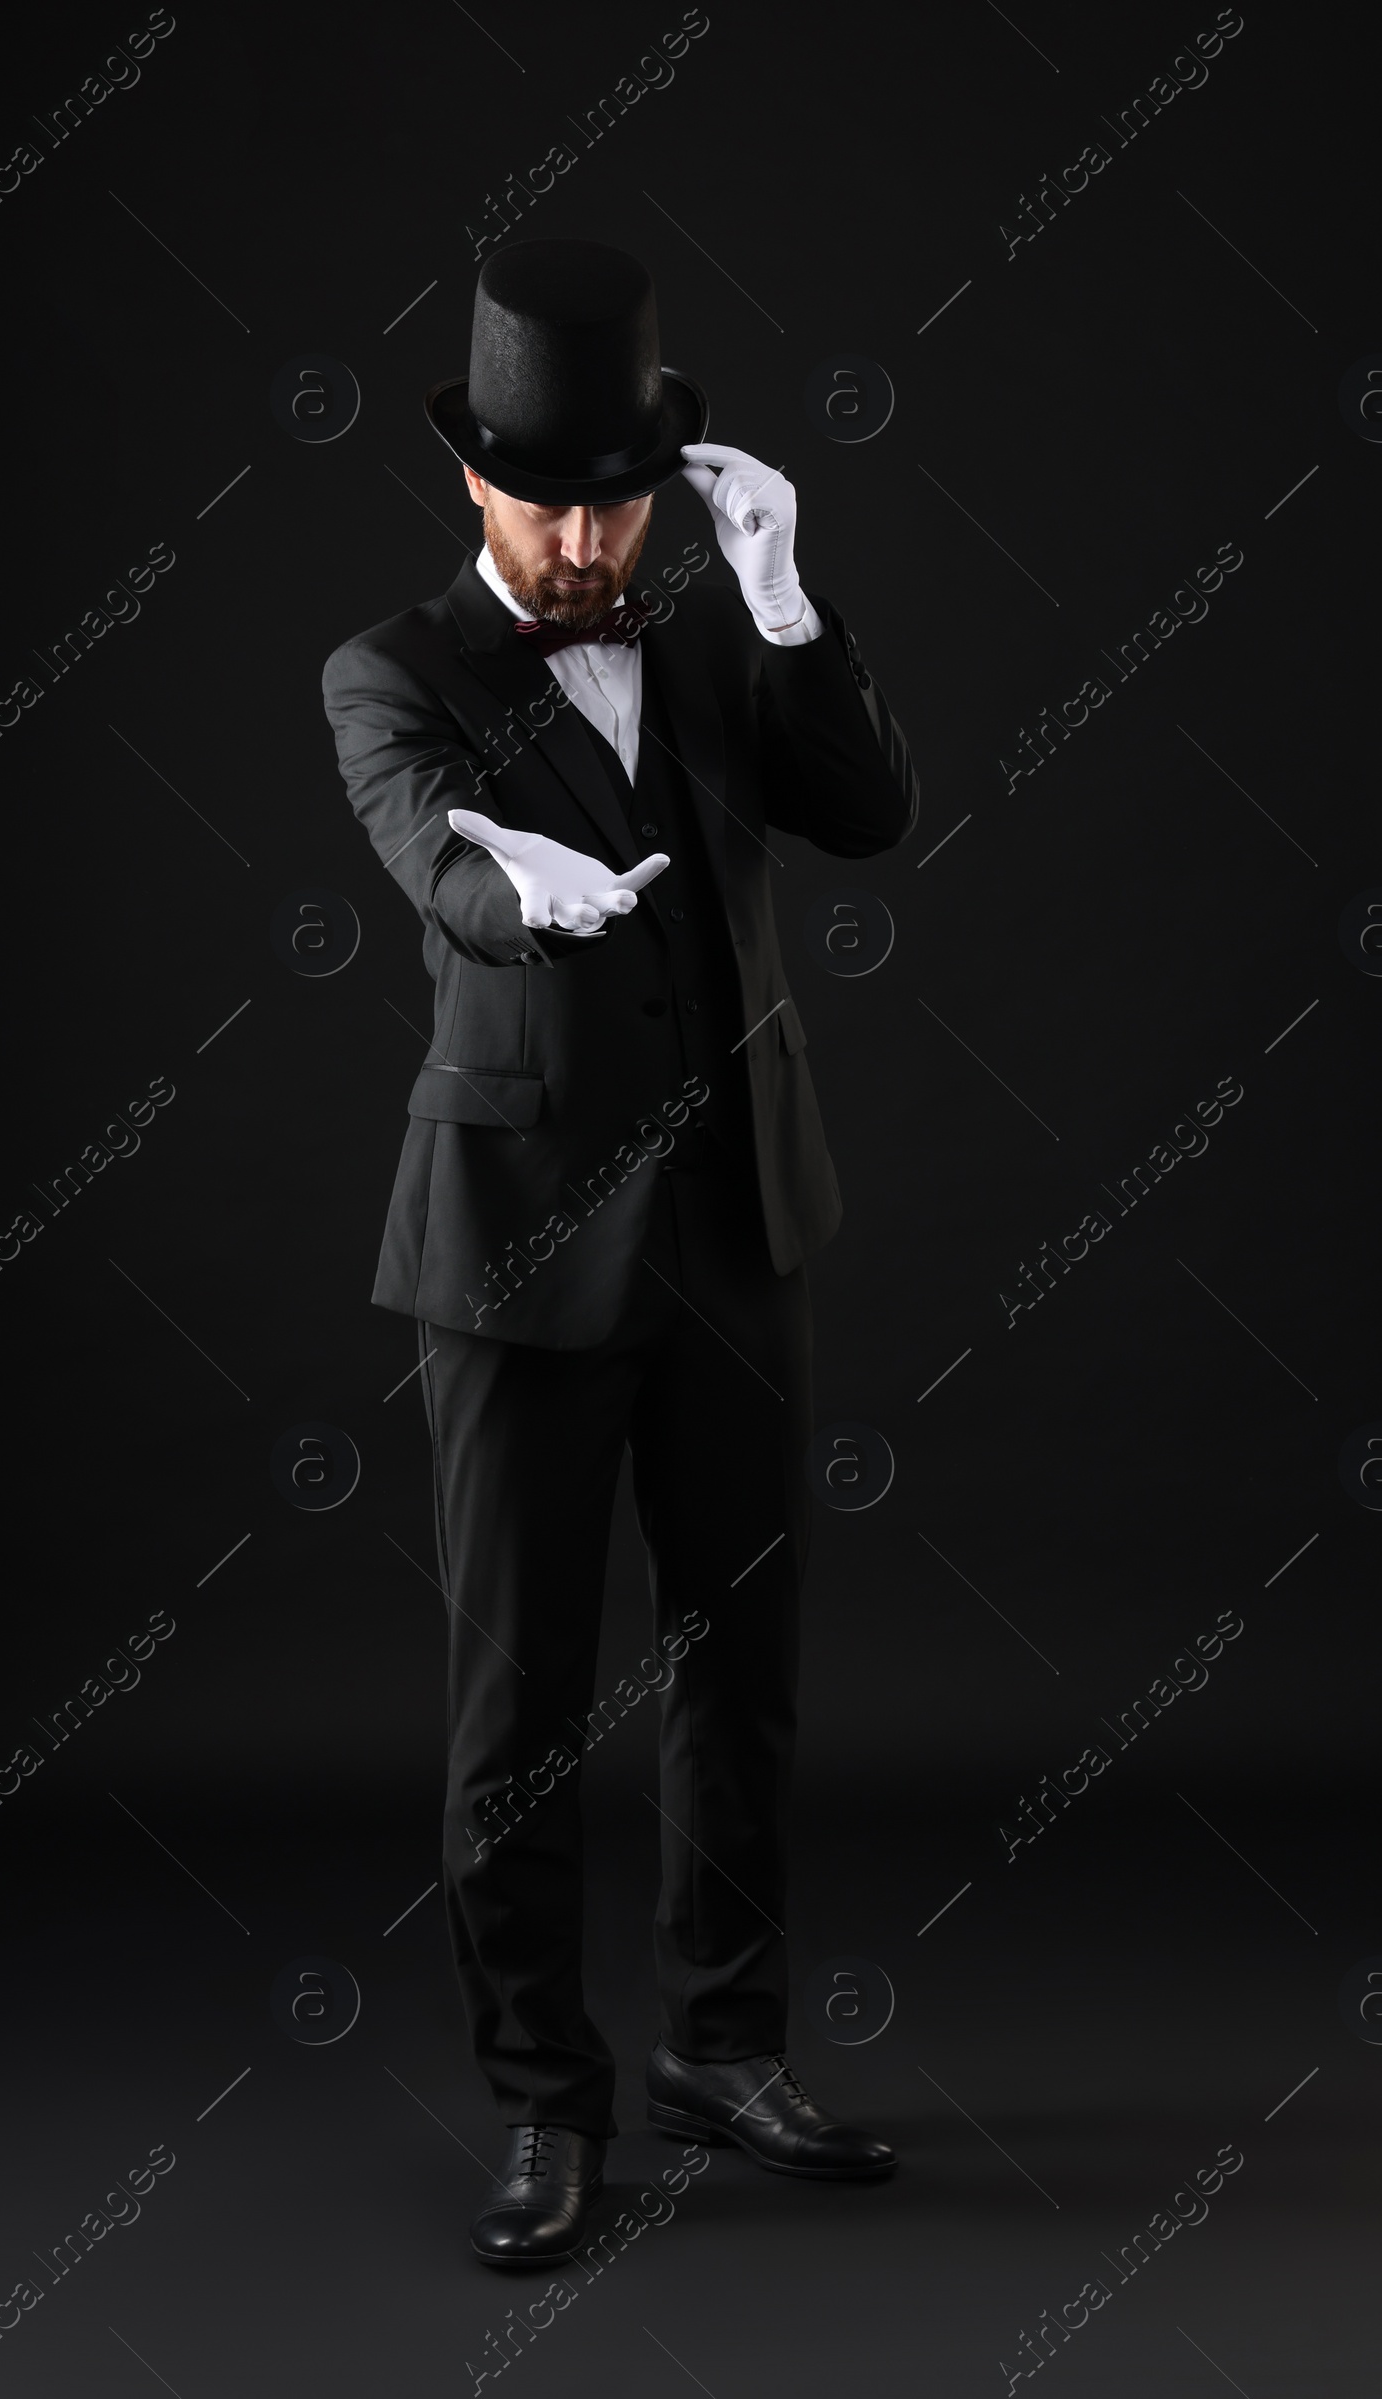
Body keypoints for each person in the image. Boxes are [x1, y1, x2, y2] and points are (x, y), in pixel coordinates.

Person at [323, 238, 919, 2266]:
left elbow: (870, 808)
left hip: (735, 1229)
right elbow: (425, 840)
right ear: (471, 490)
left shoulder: (709, 625)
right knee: (520, 1705)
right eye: (543, 502)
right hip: (511, 1257)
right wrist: (513, 871)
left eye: (617, 501)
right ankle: (542, 2104)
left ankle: (723, 2048)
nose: (583, 538)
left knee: (738, 1672)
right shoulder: (391, 669)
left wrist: (775, 588)